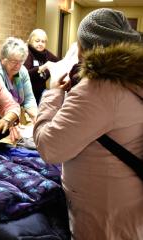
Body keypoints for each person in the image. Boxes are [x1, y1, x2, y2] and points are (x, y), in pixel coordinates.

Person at [33, 8, 143, 239]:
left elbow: (49, 147)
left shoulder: (99, 89)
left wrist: (53, 93)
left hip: (103, 215)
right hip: (126, 204)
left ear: (85, 47)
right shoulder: (130, 79)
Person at [0, 37, 38, 124]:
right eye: (14, 62)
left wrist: (36, 117)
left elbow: (29, 98)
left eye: (21, 61)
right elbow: (4, 103)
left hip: (12, 119)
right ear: (3, 60)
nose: (18, 66)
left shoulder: (22, 71)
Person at [24, 29, 59, 104]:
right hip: (27, 92)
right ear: (31, 41)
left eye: (43, 41)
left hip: (41, 91)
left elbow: (59, 62)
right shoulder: (27, 52)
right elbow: (26, 74)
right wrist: (42, 68)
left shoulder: (46, 54)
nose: (40, 44)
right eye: (37, 41)